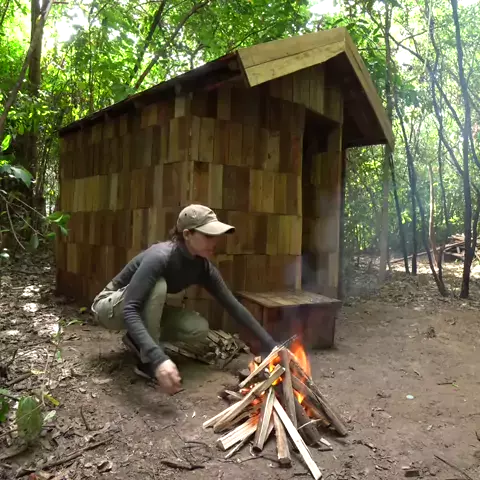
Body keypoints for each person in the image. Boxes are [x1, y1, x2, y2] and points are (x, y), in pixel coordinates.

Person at [91, 204, 277, 395]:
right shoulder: (160, 256)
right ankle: (147, 363)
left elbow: (233, 306)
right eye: (208, 235)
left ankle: (137, 340)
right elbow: (130, 308)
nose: (215, 241)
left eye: (216, 235)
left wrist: (272, 346)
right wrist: (158, 358)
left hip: (135, 309)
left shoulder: (203, 267)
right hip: (108, 307)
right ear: (187, 234)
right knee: (158, 286)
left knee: (197, 328)